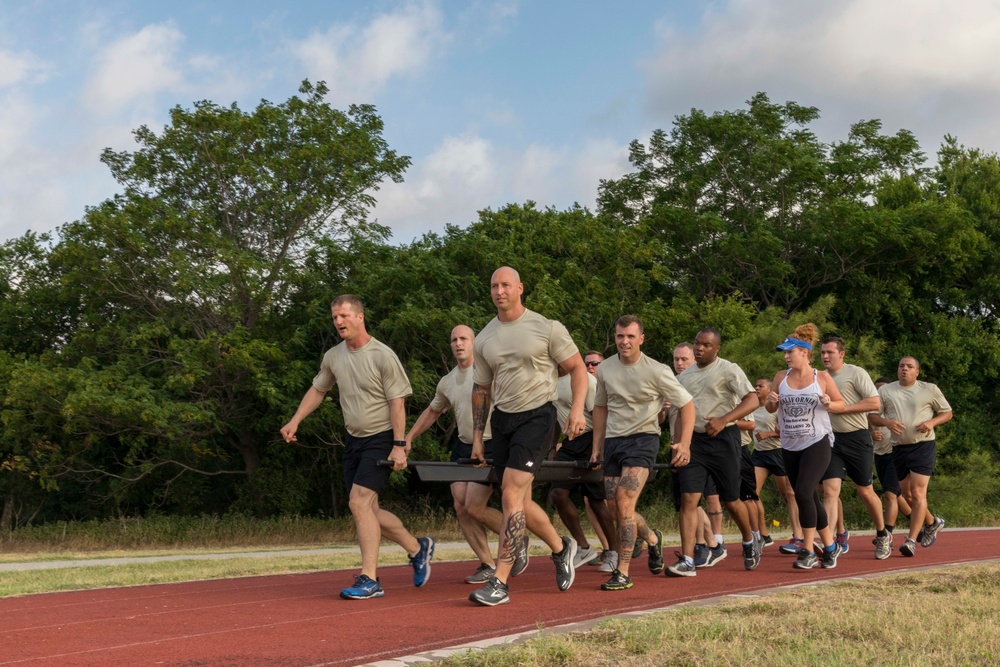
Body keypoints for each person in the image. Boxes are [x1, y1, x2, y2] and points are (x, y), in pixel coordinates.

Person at [281, 294, 434, 600]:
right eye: (335, 317)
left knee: (358, 503)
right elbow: (318, 389)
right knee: (369, 510)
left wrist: (399, 445)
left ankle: (370, 579)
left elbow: (398, 403)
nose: (338, 322)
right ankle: (418, 548)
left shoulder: (382, 355)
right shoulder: (333, 356)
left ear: (360, 317)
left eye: (344, 316)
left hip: (382, 437)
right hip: (354, 439)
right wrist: (295, 420)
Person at [467, 267, 586, 606]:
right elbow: (481, 388)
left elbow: (577, 367)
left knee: (511, 495)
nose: (499, 291)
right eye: (493, 286)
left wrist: (576, 410)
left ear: (520, 288)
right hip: (502, 420)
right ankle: (563, 548)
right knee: (516, 495)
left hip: (538, 415)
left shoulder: (546, 327)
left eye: (505, 285)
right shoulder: (485, 337)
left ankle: (500, 582)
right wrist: (479, 435)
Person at [591, 315, 693, 590]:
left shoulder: (658, 370)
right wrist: (597, 446)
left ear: (641, 339)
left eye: (630, 337)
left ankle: (622, 572)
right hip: (613, 441)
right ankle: (652, 538)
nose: (625, 341)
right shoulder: (605, 369)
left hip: (643, 439)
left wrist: (684, 443)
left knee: (624, 502)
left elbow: (687, 405)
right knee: (615, 508)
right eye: (620, 336)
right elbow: (600, 407)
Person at [404, 325, 504, 584]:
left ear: (474, 343)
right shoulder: (447, 381)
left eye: (464, 339)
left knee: (474, 505)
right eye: (454, 340)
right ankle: (487, 563)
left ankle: (515, 537)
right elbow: (433, 411)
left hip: (493, 443)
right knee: (460, 505)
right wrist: (409, 437)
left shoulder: (488, 371)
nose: (458, 343)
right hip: (463, 445)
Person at [667, 328, 761, 577]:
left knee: (731, 500)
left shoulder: (729, 369)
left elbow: (753, 400)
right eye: (697, 343)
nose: (699, 348)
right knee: (689, 498)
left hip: (723, 439)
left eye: (706, 345)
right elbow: (680, 413)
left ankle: (749, 540)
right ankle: (687, 560)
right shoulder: (684, 376)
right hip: (694, 442)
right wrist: (679, 445)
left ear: (717, 348)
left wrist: (725, 419)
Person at [765, 323, 846, 570]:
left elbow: (841, 404)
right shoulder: (781, 377)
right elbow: (771, 409)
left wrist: (829, 403)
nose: (786, 356)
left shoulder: (821, 377)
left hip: (817, 442)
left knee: (802, 492)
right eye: (785, 352)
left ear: (804, 352)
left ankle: (809, 550)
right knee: (809, 496)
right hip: (790, 444)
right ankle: (831, 547)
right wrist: (770, 402)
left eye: (790, 352)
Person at [869, 356, 952, 557]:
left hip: (923, 445)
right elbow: (872, 416)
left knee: (917, 492)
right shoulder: (886, 390)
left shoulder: (929, 389)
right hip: (898, 448)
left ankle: (911, 540)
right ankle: (932, 523)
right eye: (901, 366)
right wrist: (887, 423)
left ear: (917, 371)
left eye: (909, 366)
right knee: (906, 495)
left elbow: (947, 412)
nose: (904, 369)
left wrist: (931, 423)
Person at [819, 337, 892, 559]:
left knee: (865, 492)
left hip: (857, 438)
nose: (825, 356)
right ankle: (830, 545)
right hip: (831, 440)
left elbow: (874, 403)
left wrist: (841, 408)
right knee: (830, 491)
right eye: (822, 352)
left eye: (830, 352)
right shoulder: (817, 377)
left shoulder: (855, 373)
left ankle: (883, 535)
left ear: (842, 354)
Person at [549, 352, 617, 569]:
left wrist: (599, 448)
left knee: (596, 500)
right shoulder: (547, 380)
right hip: (569, 442)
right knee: (558, 494)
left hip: (590, 438)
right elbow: (554, 418)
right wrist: (552, 447)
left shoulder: (583, 378)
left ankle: (614, 552)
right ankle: (584, 547)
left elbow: (599, 413)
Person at [669, 343, 727, 568]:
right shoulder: (672, 382)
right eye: (676, 359)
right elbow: (665, 420)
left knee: (694, 498)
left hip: (700, 446)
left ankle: (710, 544)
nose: (679, 364)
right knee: (684, 500)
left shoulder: (703, 382)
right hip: (677, 445)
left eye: (684, 359)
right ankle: (709, 545)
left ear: (694, 360)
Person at [750, 377, 805, 555]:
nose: (756, 388)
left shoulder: (776, 407)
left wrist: (769, 434)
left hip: (779, 453)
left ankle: (799, 534)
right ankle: (763, 535)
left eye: (760, 385)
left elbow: (788, 430)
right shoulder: (751, 407)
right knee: (752, 494)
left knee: (789, 494)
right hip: (759, 455)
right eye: (756, 385)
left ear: (770, 389)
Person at [583, 350, 614, 567]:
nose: (590, 367)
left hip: (611, 444)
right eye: (587, 364)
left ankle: (644, 537)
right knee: (590, 500)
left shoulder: (609, 384)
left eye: (595, 363)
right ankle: (607, 547)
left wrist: (600, 447)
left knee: (614, 500)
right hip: (588, 445)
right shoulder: (582, 384)